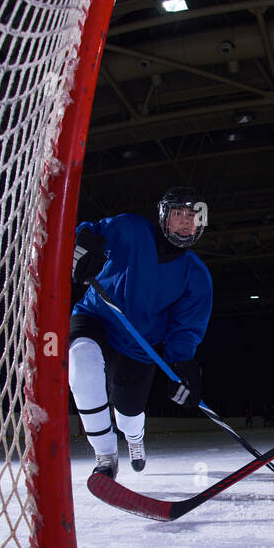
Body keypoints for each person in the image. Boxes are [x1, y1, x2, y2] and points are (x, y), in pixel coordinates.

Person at [68, 187, 213, 478]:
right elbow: (90, 232)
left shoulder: (196, 275)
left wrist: (182, 364)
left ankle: (134, 439)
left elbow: (186, 327)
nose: (186, 222)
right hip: (95, 314)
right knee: (81, 359)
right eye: (178, 214)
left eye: (193, 216)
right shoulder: (130, 228)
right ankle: (105, 453)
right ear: (163, 217)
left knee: (128, 414)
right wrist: (84, 243)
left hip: (138, 343)